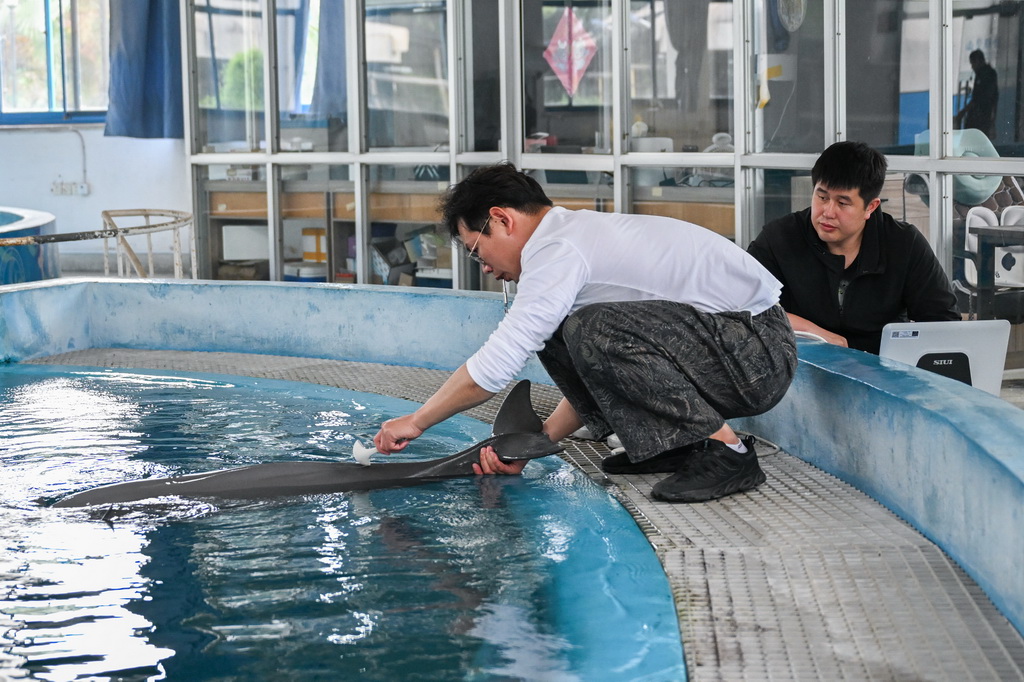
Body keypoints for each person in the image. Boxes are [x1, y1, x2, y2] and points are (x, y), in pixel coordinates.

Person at [373, 163, 797, 503]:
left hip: (758, 352)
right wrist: (533, 444)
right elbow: (599, 363)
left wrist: (417, 421)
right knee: (570, 330)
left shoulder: (558, 249)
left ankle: (729, 452)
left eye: (476, 250)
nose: (483, 267)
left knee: (589, 328)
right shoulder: (567, 237)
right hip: (732, 346)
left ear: (501, 220)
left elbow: (498, 364)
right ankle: (676, 445)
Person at [747, 141, 959, 354]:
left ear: (870, 207)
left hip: (882, 371)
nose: (827, 212)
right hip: (799, 366)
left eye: (842, 203)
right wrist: (824, 337)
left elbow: (943, 324)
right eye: (822, 197)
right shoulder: (780, 238)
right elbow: (743, 306)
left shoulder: (903, 244)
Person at [955, 49, 998, 138]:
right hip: (981, 114)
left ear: (978, 61)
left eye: (973, 63)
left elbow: (979, 98)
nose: (972, 67)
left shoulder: (986, 74)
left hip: (981, 115)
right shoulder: (984, 74)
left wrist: (963, 111)